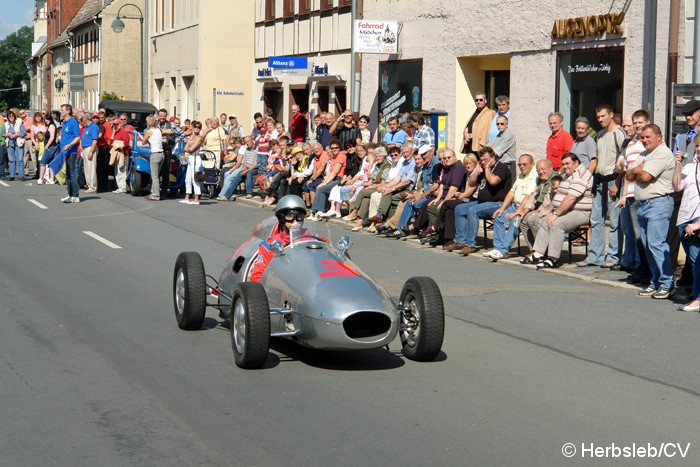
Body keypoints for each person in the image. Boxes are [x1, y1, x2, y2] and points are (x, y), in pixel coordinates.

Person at [626, 124, 676, 299]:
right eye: (643, 137)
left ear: (659, 137)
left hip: (658, 204)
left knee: (657, 244)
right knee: (648, 246)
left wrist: (637, 170)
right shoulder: (644, 154)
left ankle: (667, 282)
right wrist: (636, 170)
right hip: (643, 205)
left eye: (649, 137)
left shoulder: (662, 153)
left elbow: (645, 177)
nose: (645, 140)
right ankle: (655, 281)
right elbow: (628, 175)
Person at [525, 153, 593, 269]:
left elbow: (570, 198)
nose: (565, 166)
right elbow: (560, 196)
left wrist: (556, 214)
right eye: (563, 164)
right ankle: (538, 253)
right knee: (545, 219)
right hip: (567, 209)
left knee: (556, 224)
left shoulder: (580, 175)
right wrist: (549, 210)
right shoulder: (568, 175)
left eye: (568, 164)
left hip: (581, 211)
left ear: (576, 163)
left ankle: (553, 258)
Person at [578, 103, 626, 268]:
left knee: (614, 221)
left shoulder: (619, 134)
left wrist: (618, 183)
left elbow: (623, 161)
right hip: (599, 181)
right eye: (598, 117)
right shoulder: (600, 134)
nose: (600, 119)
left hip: (613, 180)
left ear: (611, 115)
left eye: (603, 116)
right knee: (596, 220)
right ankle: (595, 256)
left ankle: (613, 256)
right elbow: (597, 160)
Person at [482, 154, 537, 260]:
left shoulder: (534, 176)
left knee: (515, 222)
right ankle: (497, 248)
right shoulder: (522, 175)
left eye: (524, 164)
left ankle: (503, 251)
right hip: (515, 205)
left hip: (526, 207)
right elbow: (512, 192)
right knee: (499, 217)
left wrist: (518, 211)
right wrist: (502, 208)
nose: (521, 166)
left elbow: (528, 197)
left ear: (532, 164)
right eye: (519, 164)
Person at [249, 195, 308, 282]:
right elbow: (257, 277)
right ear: (281, 218)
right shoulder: (268, 246)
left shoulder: (313, 241)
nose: (295, 221)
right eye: (290, 216)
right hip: (281, 289)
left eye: (299, 216)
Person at [673, 134, 700, 312]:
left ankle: (698, 298)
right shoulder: (691, 167)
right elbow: (676, 186)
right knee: (693, 260)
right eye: (697, 146)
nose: (698, 149)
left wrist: (698, 224)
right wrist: (677, 165)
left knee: (698, 260)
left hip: (697, 219)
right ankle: (696, 295)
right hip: (684, 218)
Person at [59, 104, 81, 203]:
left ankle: (75, 195)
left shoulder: (73, 122)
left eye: (62, 110)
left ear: (68, 111)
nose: (60, 111)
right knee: (67, 174)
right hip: (65, 151)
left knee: (72, 173)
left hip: (71, 151)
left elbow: (77, 137)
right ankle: (70, 194)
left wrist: (70, 145)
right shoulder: (64, 123)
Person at [181, 120, 204, 205]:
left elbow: (191, 149)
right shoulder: (192, 136)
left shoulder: (199, 138)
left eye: (199, 127)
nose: (197, 128)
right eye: (196, 127)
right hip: (190, 158)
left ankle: (196, 199)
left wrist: (189, 148)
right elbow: (185, 148)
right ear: (193, 127)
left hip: (196, 157)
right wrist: (188, 148)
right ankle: (187, 197)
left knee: (195, 178)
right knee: (188, 178)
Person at [142, 115, 165, 201]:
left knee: (154, 176)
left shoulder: (149, 131)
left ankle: (156, 195)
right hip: (161, 154)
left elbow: (143, 142)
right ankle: (153, 192)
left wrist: (147, 139)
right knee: (157, 175)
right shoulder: (158, 130)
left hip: (155, 154)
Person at [2, 109, 27, 181]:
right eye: (9, 116)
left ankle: (21, 175)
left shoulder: (19, 122)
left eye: (12, 116)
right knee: (11, 160)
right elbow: (2, 134)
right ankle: (12, 175)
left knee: (20, 159)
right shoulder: (6, 124)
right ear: (8, 117)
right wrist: (7, 134)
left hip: (18, 142)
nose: (11, 117)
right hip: (10, 144)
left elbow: (24, 132)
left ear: (14, 116)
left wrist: (17, 135)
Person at [79, 113, 100, 193]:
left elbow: (95, 140)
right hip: (85, 148)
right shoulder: (86, 127)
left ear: (86, 118)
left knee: (91, 168)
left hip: (90, 148)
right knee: (86, 168)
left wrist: (91, 151)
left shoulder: (93, 126)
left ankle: (93, 186)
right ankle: (89, 185)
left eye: (83, 118)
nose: (82, 119)